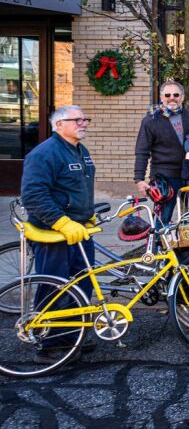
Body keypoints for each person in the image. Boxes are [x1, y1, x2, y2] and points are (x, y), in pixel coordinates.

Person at [21, 106, 97, 363]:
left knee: (81, 285)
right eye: (77, 120)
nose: (83, 123)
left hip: (79, 231)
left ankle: (71, 338)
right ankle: (50, 345)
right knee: (55, 287)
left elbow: (77, 187)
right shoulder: (44, 154)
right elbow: (33, 196)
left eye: (84, 119)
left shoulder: (79, 150)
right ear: (59, 125)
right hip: (53, 235)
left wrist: (88, 214)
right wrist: (62, 222)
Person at [134, 80, 189, 224]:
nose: (172, 98)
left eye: (176, 94)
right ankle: (157, 246)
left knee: (188, 218)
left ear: (182, 97)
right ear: (161, 98)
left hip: (187, 174)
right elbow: (142, 151)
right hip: (164, 176)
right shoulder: (150, 120)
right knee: (163, 219)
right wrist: (139, 178)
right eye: (167, 95)